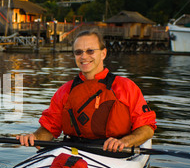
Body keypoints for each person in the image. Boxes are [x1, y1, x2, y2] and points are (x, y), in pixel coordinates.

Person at [17, 29, 156, 153]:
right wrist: (34, 137)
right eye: (78, 52)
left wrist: (125, 142)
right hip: (74, 150)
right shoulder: (65, 91)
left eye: (90, 51)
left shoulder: (126, 87)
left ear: (103, 53)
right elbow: (49, 129)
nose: (83, 56)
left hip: (116, 153)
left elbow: (147, 128)